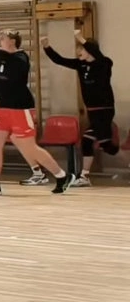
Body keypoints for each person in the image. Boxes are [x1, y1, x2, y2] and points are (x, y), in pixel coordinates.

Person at [0, 27, 74, 195]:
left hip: (19, 109)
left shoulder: (20, 58)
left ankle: (61, 175)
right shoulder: (2, 57)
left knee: (29, 148)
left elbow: (1, 56)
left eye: (3, 38)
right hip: (1, 107)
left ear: (12, 41)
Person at [42, 29, 116, 186]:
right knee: (92, 143)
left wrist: (81, 38)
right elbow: (59, 60)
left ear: (90, 50)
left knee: (104, 145)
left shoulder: (104, 63)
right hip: (92, 112)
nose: (78, 52)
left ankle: (85, 176)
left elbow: (97, 54)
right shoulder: (80, 65)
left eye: (81, 49)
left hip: (104, 110)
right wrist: (47, 47)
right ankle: (84, 177)